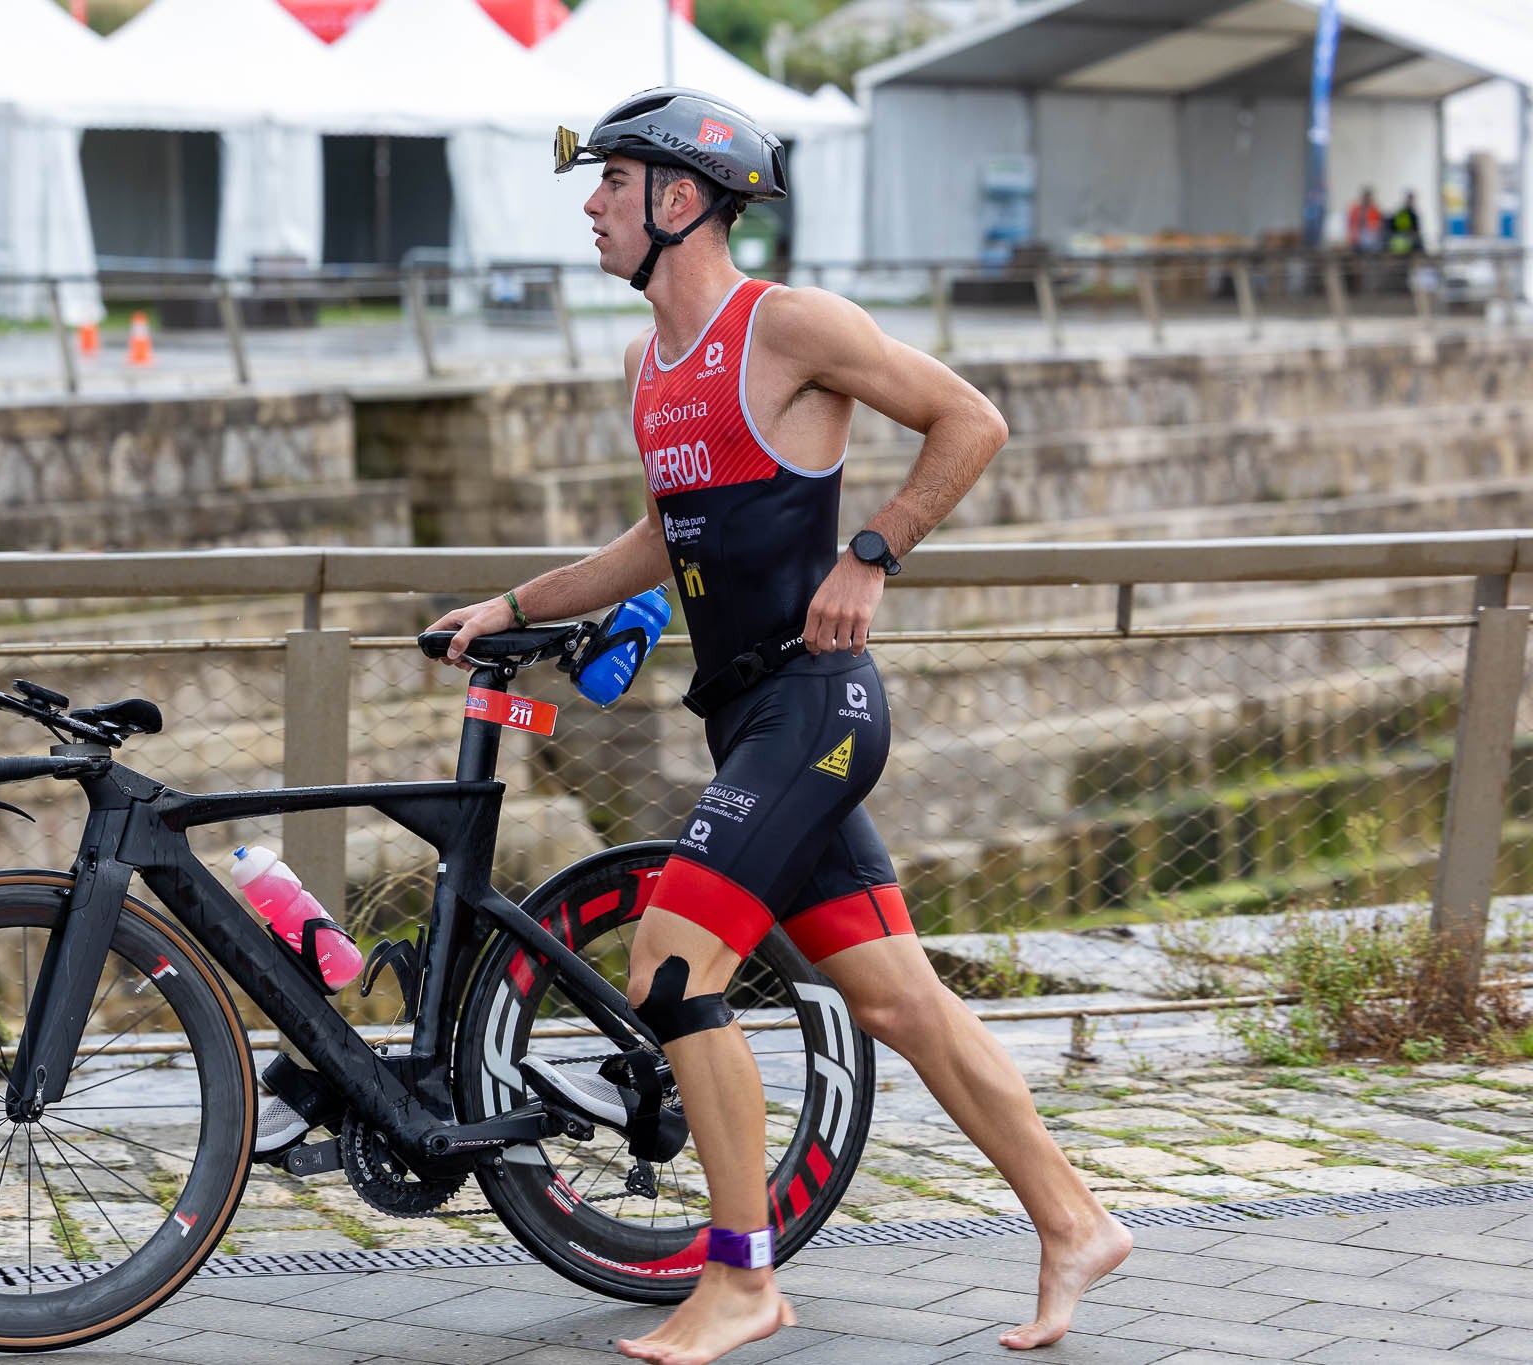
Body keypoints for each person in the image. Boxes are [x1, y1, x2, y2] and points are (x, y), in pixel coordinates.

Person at [427, 88, 1131, 1364]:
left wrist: (871, 553)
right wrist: (509, 606)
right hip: (743, 714)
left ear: (678, 200)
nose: (589, 206)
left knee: (670, 971)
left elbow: (968, 420)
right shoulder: (649, 368)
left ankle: (741, 1277)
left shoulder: (788, 326)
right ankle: (1073, 1219)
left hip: (813, 708)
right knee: (901, 1005)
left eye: (611, 184)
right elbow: (661, 539)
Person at [1346, 187, 1383, 253]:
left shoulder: (1375, 209)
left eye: (1368, 196)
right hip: (1357, 238)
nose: (1367, 198)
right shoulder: (1355, 209)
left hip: (1372, 237)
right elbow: (1350, 224)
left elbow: (1379, 224)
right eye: (1366, 196)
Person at [1387, 191, 1423, 257]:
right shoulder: (1401, 213)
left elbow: (1416, 230)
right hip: (1401, 240)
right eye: (1410, 199)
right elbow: (1393, 227)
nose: (1411, 202)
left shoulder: (1413, 214)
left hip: (1405, 239)